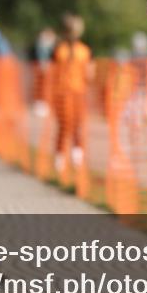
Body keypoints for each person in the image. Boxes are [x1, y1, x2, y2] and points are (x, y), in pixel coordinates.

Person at [51, 14, 93, 179]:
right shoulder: (60, 50)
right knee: (65, 125)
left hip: (77, 93)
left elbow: (88, 73)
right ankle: (61, 159)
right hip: (63, 93)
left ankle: (75, 159)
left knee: (76, 126)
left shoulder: (83, 51)